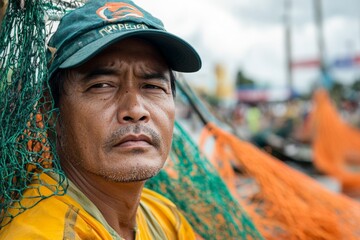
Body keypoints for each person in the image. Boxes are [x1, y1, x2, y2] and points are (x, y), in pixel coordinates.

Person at [0, 0, 201, 239]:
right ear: (50, 110)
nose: (135, 110)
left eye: (152, 86)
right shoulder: (42, 233)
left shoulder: (164, 217)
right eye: (102, 86)